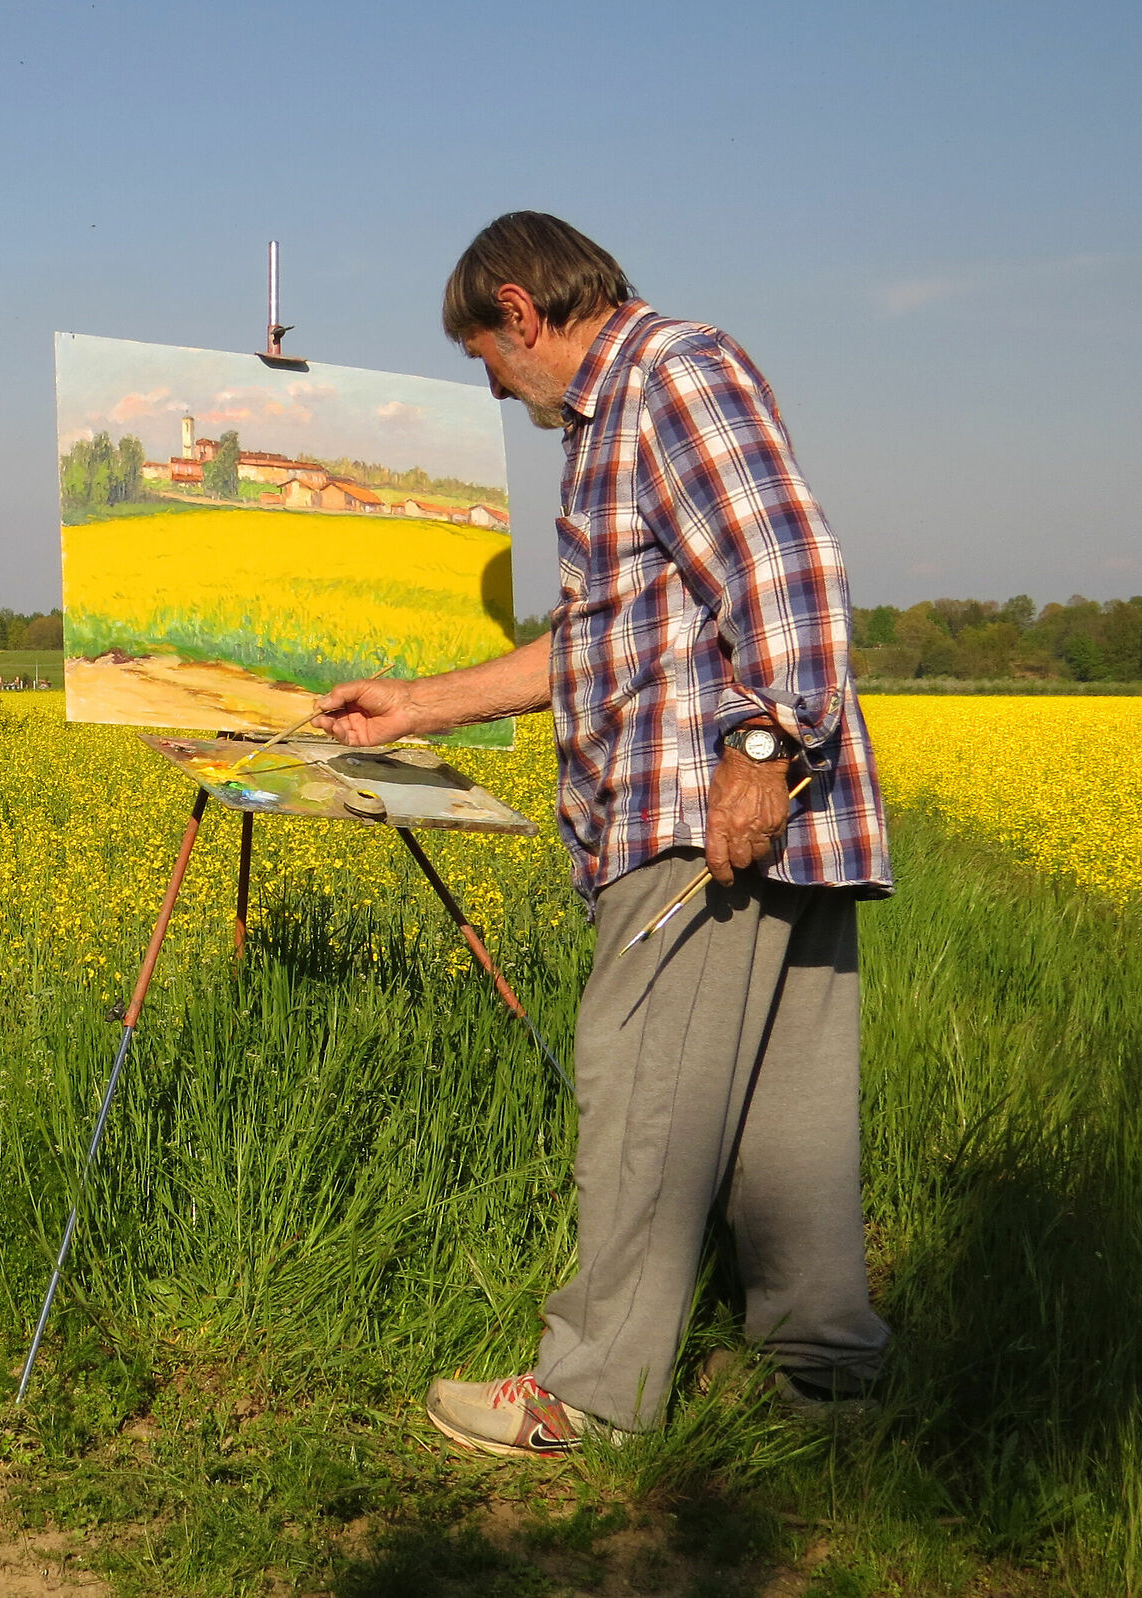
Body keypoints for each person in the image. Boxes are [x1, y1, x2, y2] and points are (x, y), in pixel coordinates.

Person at [313, 212, 892, 1456]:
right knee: (786, 1119)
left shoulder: (669, 372)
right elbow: (601, 643)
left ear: (520, 310)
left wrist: (758, 748)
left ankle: (587, 1396)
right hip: (762, 814)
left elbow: (787, 563)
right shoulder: (620, 418)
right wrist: (416, 703)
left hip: (703, 815)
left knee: (634, 1098)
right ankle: (828, 1384)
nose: (493, 382)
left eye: (485, 353)